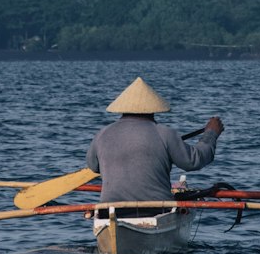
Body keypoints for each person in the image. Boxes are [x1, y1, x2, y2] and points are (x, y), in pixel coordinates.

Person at [85, 76, 223, 202]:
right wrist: (211, 134)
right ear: (153, 109)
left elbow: (93, 166)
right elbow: (193, 161)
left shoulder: (102, 134)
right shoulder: (165, 134)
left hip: (110, 211)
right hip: (156, 210)